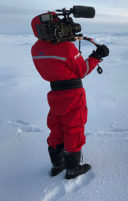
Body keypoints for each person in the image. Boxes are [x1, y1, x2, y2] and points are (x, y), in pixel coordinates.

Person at [31, 12, 109, 179]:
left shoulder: (36, 50)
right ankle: (73, 167)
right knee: (74, 127)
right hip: (73, 94)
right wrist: (97, 56)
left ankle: (57, 164)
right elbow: (82, 70)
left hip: (54, 93)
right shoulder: (66, 48)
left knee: (56, 126)